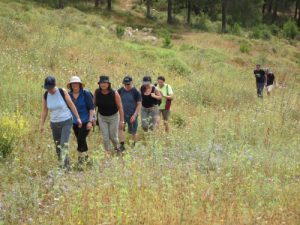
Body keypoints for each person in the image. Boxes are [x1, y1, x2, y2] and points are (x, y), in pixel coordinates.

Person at [40, 76, 82, 169]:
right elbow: (44, 111)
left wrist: (78, 118)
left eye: (51, 88)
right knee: (58, 146)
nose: (49, 90)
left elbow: (71, 105)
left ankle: (66, 167)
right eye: (47, 88)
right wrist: (41, 125)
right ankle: (61, 165)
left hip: (66, 120)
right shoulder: (45, 95)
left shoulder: (62, 91)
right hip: (54, 123)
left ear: (54, 85)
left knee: (64, 144)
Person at [67, 76, 95, 164]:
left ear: (80, 84)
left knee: (80, 138)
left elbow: (91, 108)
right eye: (73, 84)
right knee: (80, 139)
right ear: (70, 85)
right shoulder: (69, 95)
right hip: (75, 122)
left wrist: (90, 121)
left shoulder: (86, 93)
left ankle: (81, 159)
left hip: (86, 120)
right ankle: (85, 158)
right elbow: (68, 108)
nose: (75, 85)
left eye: (76, 83)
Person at [94, 75, 124, 152]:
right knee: (105, 137)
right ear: (99, 84)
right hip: (102, 117)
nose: (103, 84)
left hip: (113, 117)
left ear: (108, 84)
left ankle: (117, 149)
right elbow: (93, 106)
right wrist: (93, 118)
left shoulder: (114, 93)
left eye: (105, 83)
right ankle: (108, 153)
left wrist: (122, 121)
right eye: (101, 83)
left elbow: (120, 107)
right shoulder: (97, 92)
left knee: (113, 136)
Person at [118, 76, 142, 150]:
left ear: (132, 82)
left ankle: (133, 145)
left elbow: (139, 104)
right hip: (122, 115)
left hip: (132, 114)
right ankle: (122, 145)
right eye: (125, 84)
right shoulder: (120, 90)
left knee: (133, 132)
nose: (127, 86)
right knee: (120, 129)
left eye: (128, 84)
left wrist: (134, 115)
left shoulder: (136, 92)